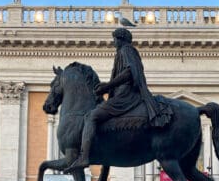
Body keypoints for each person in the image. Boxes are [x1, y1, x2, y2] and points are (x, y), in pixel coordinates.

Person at [65, 27, 170, 172]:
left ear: (120, 39)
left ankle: (84, 157)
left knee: (91, 116)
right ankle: (103, 177)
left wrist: (108, 86)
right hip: (123, 94)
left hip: (126, 97)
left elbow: (129, 72)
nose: (113, 42)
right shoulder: (124, 52)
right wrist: (106, 88)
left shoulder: (126, 50)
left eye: (114, 39)